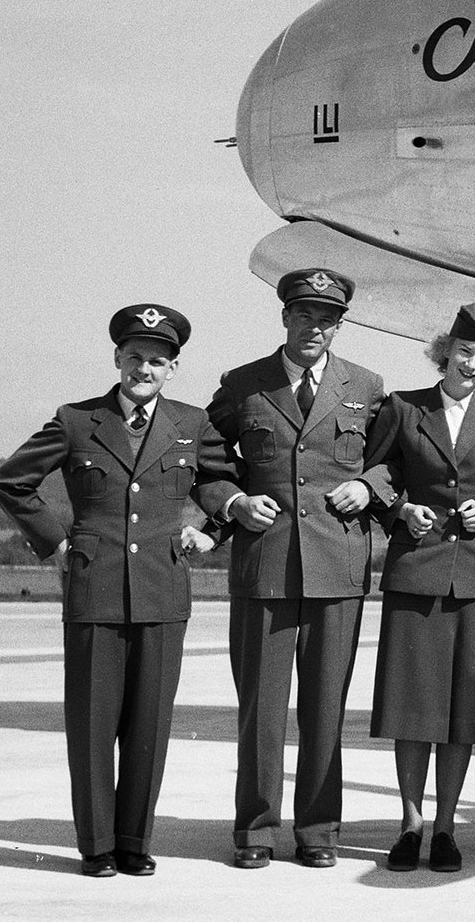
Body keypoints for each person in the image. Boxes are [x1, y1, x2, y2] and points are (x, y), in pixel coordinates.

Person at [0, 304, 232, 878]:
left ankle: (134, 842)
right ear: (117, 360)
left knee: (150, 725)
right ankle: (96, 846)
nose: (144, 369)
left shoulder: (192, 424)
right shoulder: (77, 421)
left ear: (173, 368)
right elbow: (12, 480)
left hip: (163, 589)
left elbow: (226, 484)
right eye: (135, 358)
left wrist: (213, 529)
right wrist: (56, 543)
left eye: (157, 361)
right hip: (94, 588)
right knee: (94, 725)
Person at [197, 268, 391, 869]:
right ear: (285, 318)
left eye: (327, 318)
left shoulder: (366, 385)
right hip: (267, 566)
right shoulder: (244, 386)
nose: (315, 327)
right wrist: (233, 502)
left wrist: (369, 484)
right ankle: (255, 831)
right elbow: (204, 459)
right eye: (304, 314)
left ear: (340, 324)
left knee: (326, 704)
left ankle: (318, 831)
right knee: (262, 705)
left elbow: (395, 461)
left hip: (338, 565)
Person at [354, 303, 475, 873]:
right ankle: (410, 823)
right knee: (414, 705)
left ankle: (447, 826)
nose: (473, 365)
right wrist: (401, 510)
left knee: (464, 709)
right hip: (419, 569)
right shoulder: (404, 408)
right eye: (465, 353)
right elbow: (381, 473)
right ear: (446, 350)